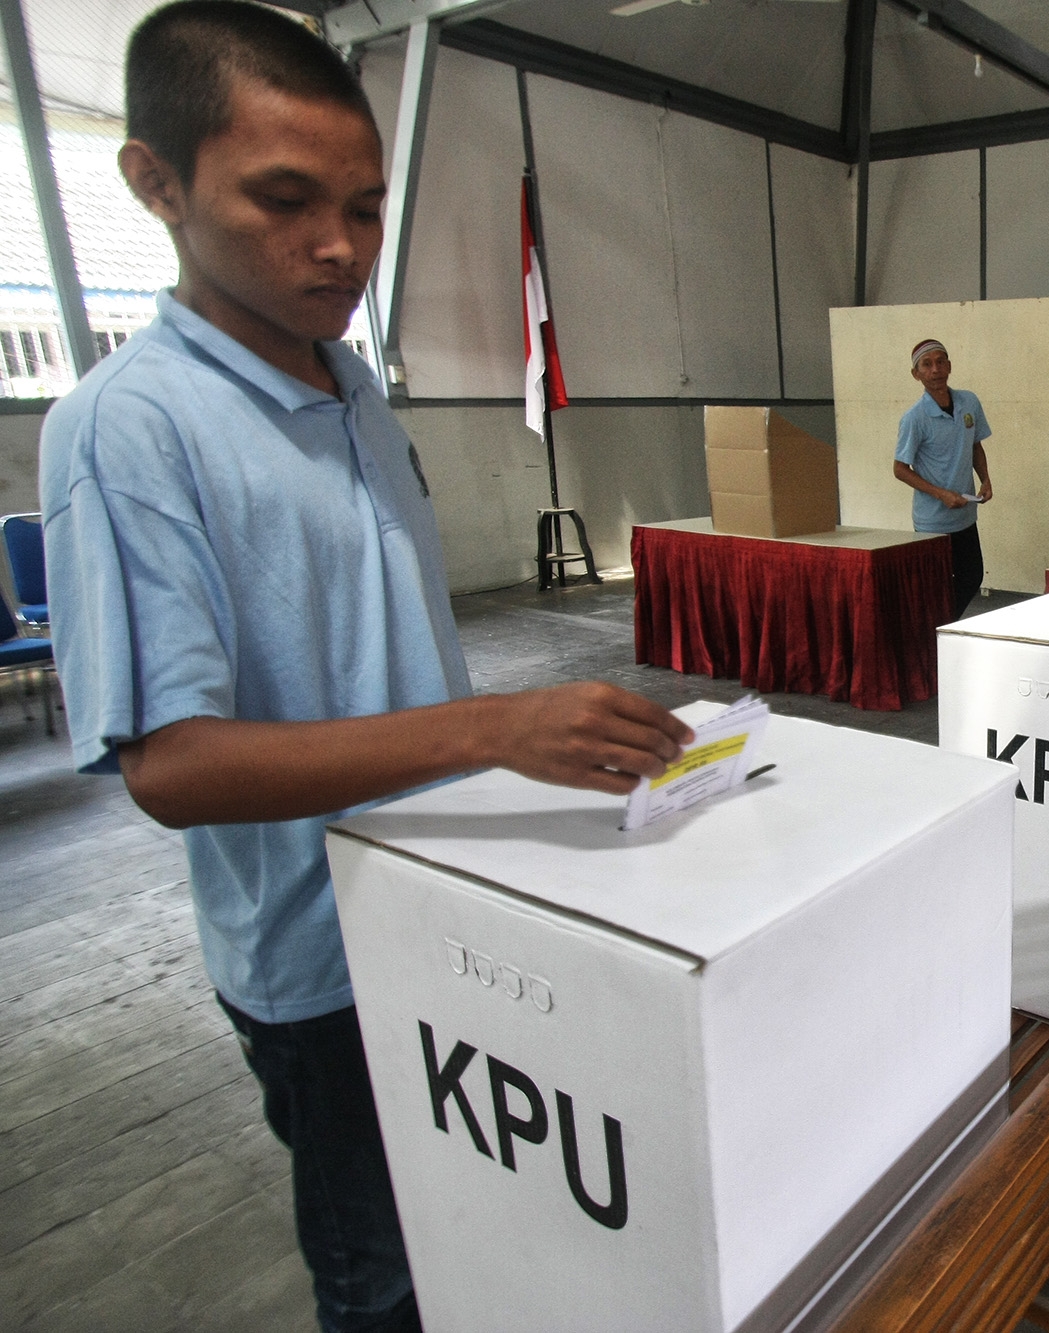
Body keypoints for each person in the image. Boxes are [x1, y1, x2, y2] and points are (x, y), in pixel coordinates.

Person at [41, 6, 693, 1329]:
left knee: (498, 1228)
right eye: (282, 201)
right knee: (386, 1276)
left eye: (363, 206)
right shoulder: (130, 429)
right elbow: (171, 763)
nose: (337, 245)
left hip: (453, 905)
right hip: (324, 968)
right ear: (155, 183)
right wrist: (494, 729)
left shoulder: (350, 387)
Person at [893, 339, 993, 620]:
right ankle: (935, 635)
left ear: (949, 365)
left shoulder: (968, 402)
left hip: (965, 516)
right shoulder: (914, 418)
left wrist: (985, 480)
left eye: (941, 361)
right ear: (917, 374)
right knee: (934, 587)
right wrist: (941, 494)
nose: (936, 369)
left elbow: (975, 446)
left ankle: (942, 628)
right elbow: (900, 469)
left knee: (971, 577)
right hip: (932, 522)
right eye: (927, 364)